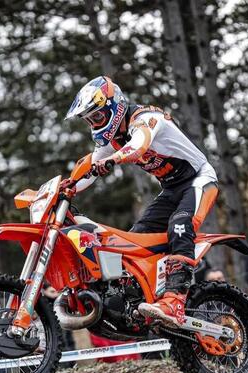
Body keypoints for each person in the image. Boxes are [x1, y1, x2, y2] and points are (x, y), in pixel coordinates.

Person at [64, 76, 219, 327]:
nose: (94, 124)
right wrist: (67, 188)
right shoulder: (114, 139)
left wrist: (113, 159)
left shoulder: (145, 118)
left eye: (97, 117)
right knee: (136, 238)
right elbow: (90, 166)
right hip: (171, 189)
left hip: (199, 179)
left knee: (180, 224)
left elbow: (139, 144)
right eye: (89, 120)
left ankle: (175, 301)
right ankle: (140, 301)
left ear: (114, 107)